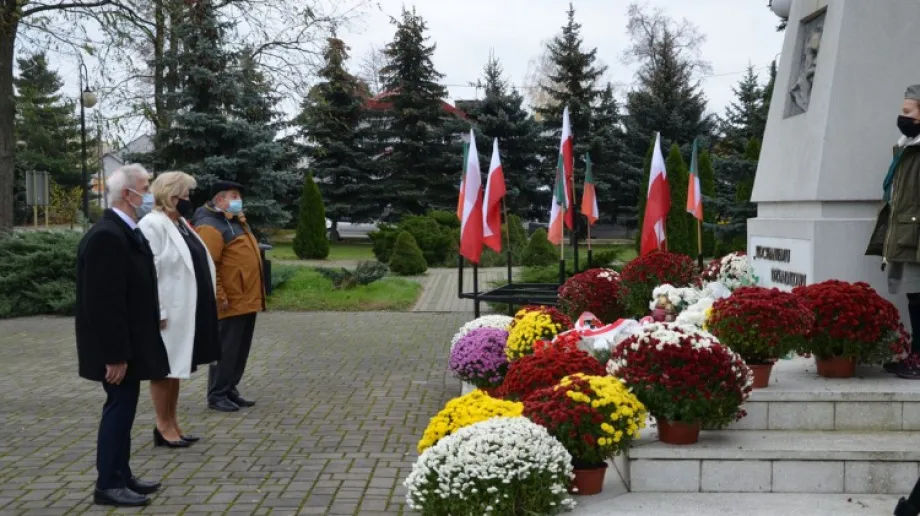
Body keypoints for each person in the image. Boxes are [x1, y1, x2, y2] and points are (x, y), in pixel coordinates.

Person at [75, 164, 170, 507]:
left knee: (125, 409)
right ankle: (108, 484)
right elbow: (103, 303)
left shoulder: (125, 231)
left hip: (130, 342)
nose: (149, 194)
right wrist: (114, 355)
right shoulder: (107, 236)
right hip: (117, 349)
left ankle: (122, 473)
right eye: (145, 187)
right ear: (127, 194)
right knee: (118, 408)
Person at [139, 171, 221, 447]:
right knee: (164, 370)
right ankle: (162, 427)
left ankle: (173, 422)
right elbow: (148, 273)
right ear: (171, 196)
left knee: (177, 369)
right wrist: (157, 311)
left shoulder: (182, 223)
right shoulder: (153, 225)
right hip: (168, 312)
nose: (189, 200)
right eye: (185, 195)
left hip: (188, 309)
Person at [192, 180, 265, 412]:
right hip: (228, 301)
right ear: (220, 199)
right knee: (225, 349)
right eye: (234, 196)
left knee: (239, 349)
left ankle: (230, 388)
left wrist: (241, 219)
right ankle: (217, 394)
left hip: (245, 298)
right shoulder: (210, 225)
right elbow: (210, 265)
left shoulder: (232, 221)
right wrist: (219, 295)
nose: (238, 201)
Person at [867, 84, 920, 379]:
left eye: (907, 112)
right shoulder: (905, 148)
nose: (902, 117)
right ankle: (916, 355)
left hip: (915, 234)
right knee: (915, 296)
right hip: (906, 232)